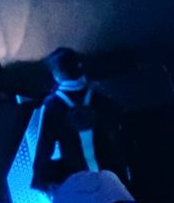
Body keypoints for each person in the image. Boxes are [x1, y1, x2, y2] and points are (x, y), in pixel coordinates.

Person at [30, 48, 127, 191]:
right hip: (111, 174)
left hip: (76, 177)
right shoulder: (102, 98)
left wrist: (38, 178)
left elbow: (44, 145)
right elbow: (119, 132)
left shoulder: (53, 105)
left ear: (56, 75)